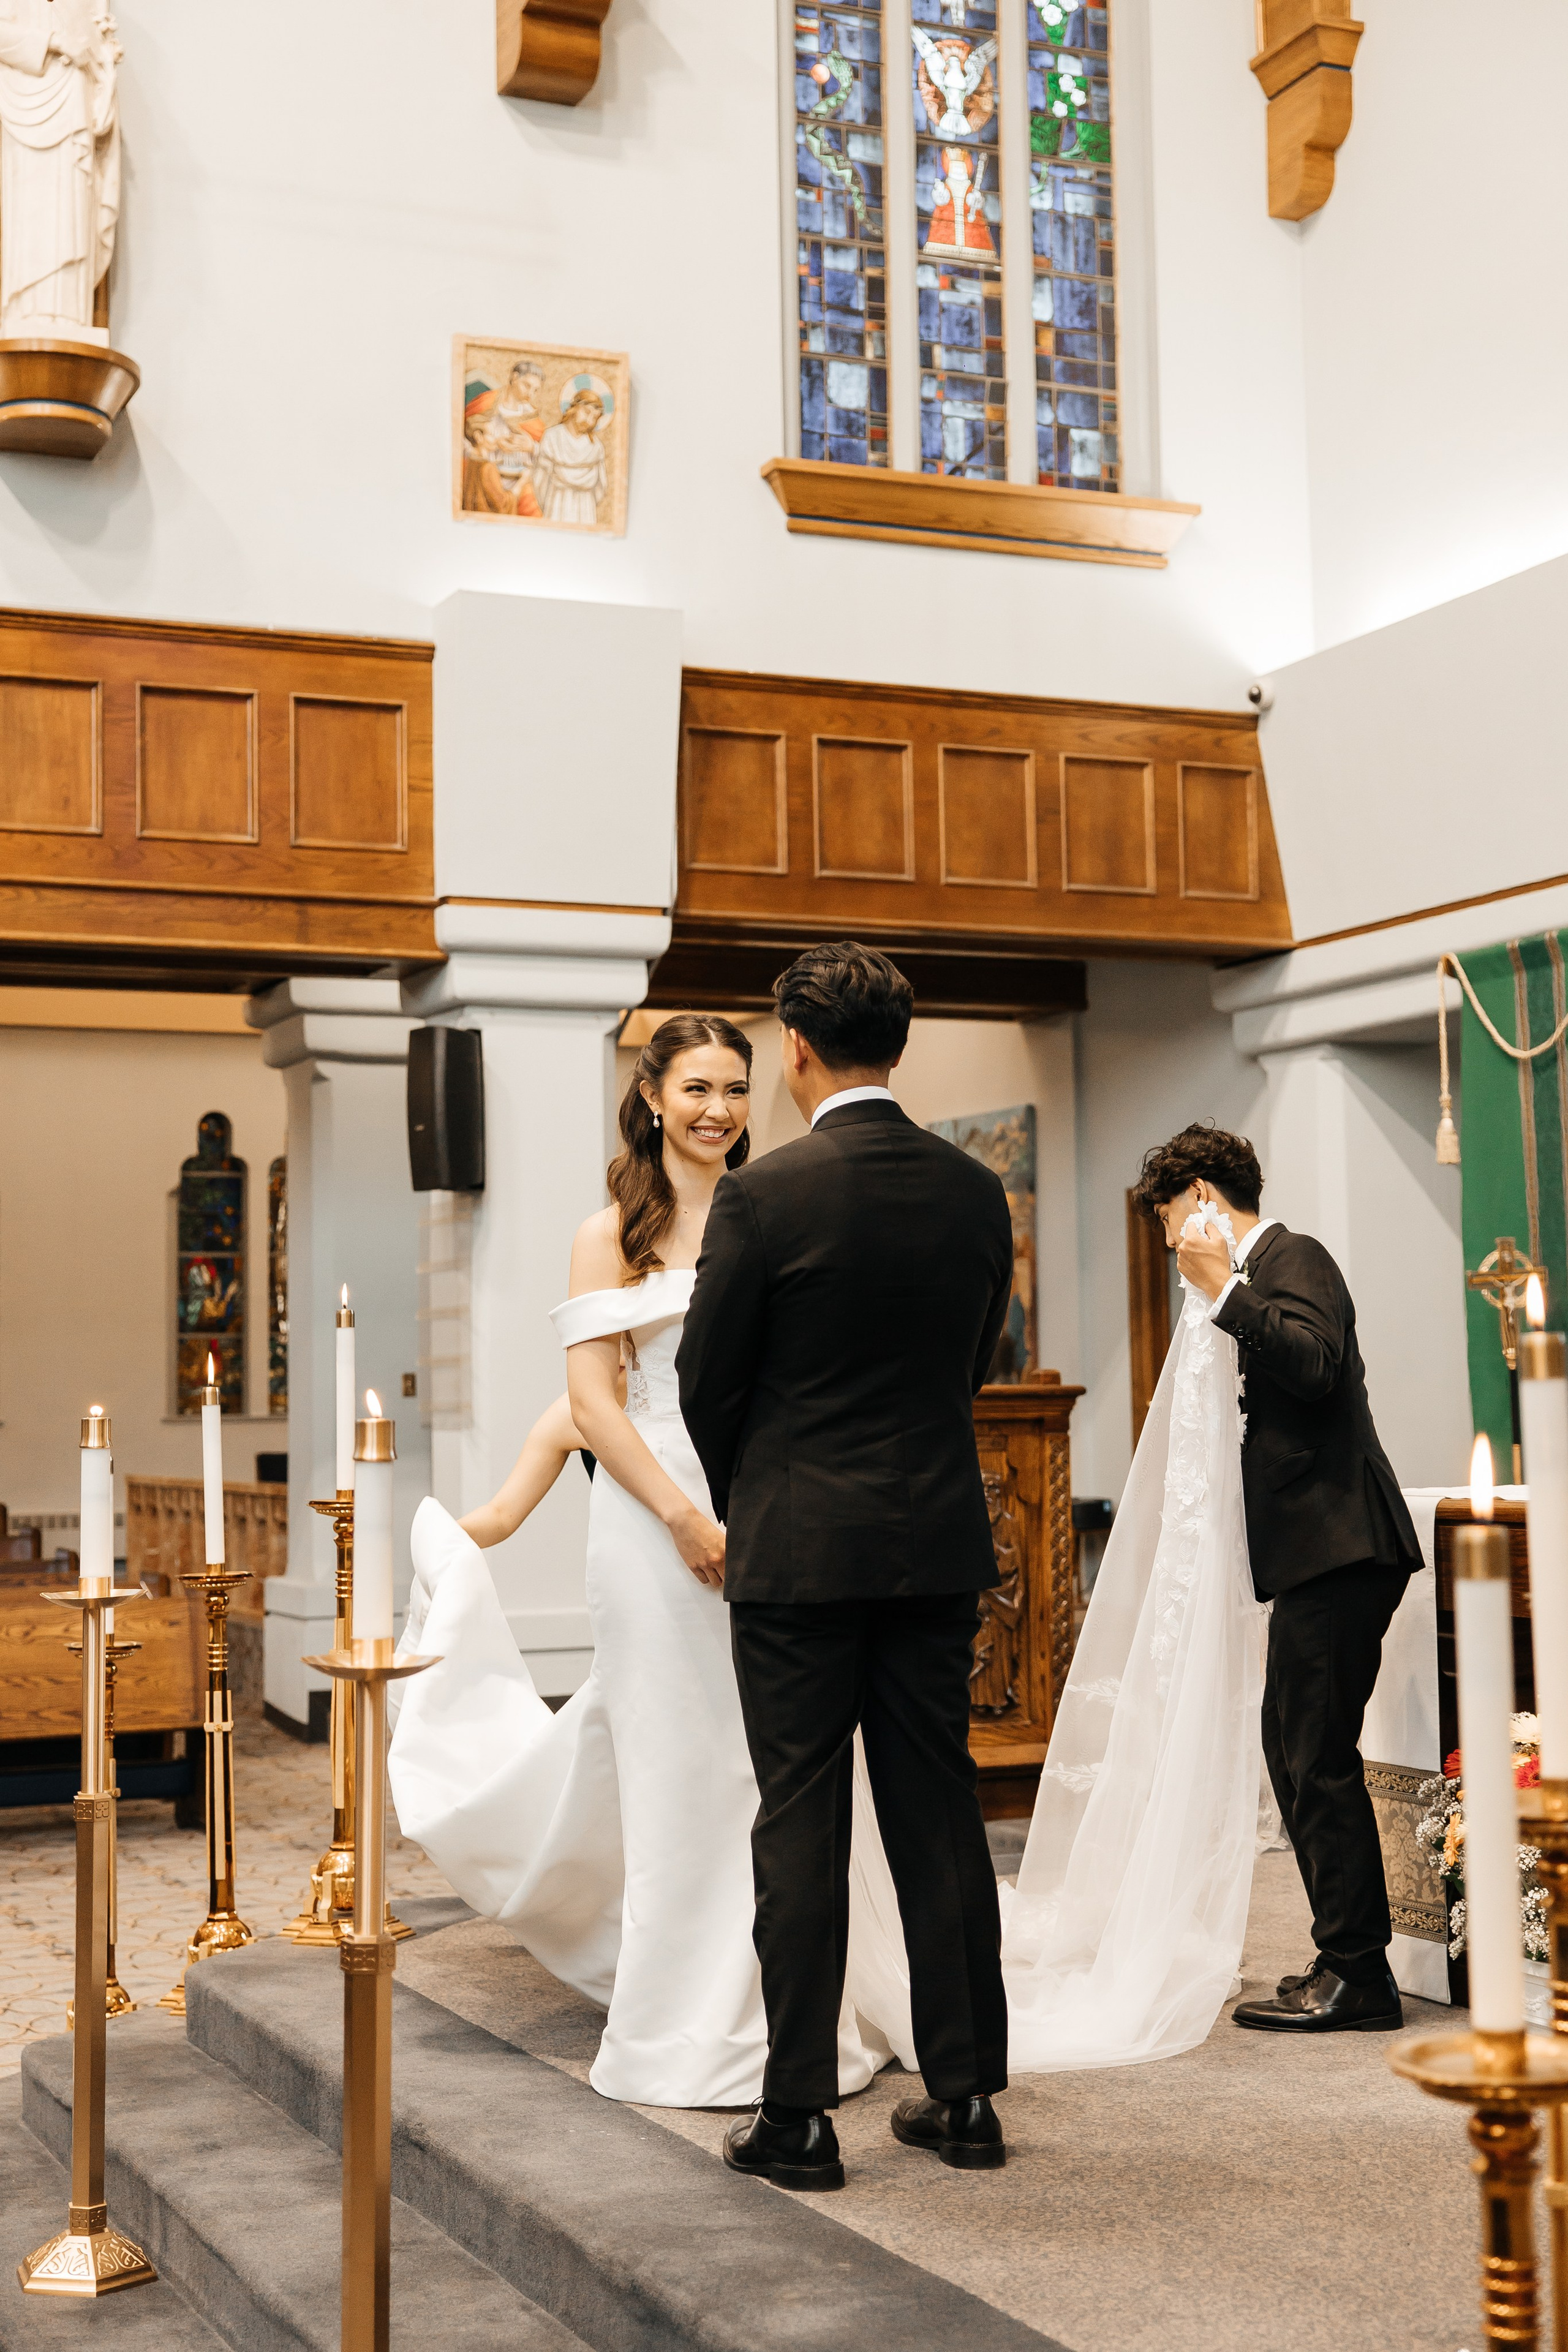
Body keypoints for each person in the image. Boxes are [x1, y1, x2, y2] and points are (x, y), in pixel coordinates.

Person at [388, 1013, 913, 2113]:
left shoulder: (771, 1210)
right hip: (646, 1520)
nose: (718, 1110)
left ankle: (793, 2011)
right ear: (654, 1095)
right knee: (679, 1769)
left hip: (765, 1506)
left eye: (735, 1088)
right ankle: (683, 2024)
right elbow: (590, 1402)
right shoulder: (607, 1232)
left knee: (772, 1768)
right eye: (698, 1088)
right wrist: (680, 1517)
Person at [677, 941, 1014, 2191]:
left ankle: (797, 2118)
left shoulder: (765, 1196)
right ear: (899, 1047)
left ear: (797, 1053)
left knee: (799, 1824)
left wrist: (760, 1496)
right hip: (931, 1546)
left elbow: (704, 1382)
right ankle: (965, 2094)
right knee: (937, 1813)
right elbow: (976, 1357)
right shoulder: (974, 1192)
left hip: (798, 1554)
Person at [1133, 1123, 1420, 2034]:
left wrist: (1223, 1288)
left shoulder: (1294, 1257)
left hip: (1343, 1545)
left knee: (1316, 1759)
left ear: (1208, 1198)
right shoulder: (1258, 1275)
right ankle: (1345, 1952)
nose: (1172, 1241)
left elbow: (1316, 1361)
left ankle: (1359, 1975)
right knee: (1291, 1752)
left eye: (1174, 1217)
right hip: (1311, 1555)